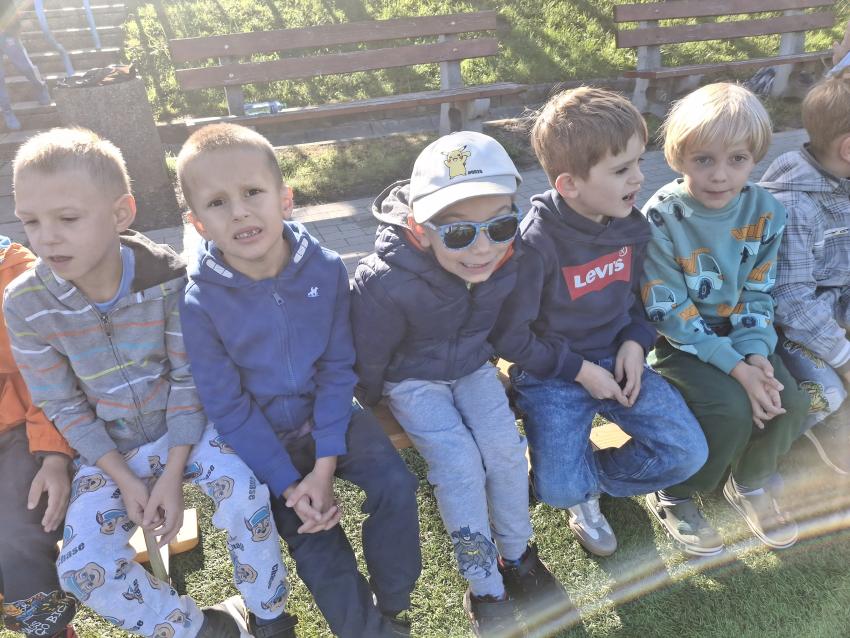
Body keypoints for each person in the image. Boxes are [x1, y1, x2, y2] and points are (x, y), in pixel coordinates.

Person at [4, 127, 296, 638]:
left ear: (121, 213)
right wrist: (124, 478)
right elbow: (61, 403)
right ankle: (204, 630)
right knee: (82, 566)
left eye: (67, 219)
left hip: (190, 432)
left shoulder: (170, 278)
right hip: (106, 453)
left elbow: (189, 378)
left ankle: (271, 619)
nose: (46, 238)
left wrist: (171, 473)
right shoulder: (25, 303)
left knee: (246, 494)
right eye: (31, 221)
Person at [176, 123, 421, 638]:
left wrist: (325, 464)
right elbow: (229, 407)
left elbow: (337, 368)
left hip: (333, 416)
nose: (239, 211)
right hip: (265, 443)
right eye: (217, 203)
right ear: (198, 223)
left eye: (252, 192)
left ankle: (394, 604)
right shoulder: (199, 303)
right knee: (316, 542)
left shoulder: (325, 270)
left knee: (396, 485)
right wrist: (290, 485)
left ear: (285, 199)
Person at [350, 131, 569, 637]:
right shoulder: (383, 278)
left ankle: (518, 555)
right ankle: (484, 585)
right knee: (460, 467)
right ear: (419, 228)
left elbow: (501, 322)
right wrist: (367, 405)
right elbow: (369, 355)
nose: (483, 247)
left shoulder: (509, 256)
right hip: (411, 381)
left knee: (506, 451)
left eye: (501, 225)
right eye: (458, 233)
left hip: (472, 366)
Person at [491, 87, 708, 558]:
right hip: (554, 376)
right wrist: (579, 371)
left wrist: (636, 341)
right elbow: (510, 337)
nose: (639, 177)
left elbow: (642, 301)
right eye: (621, 169)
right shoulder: (534, 245)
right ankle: (575, 492)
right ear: (570, 185)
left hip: (619, 361)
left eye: (638, 162)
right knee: (557, 492)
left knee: (688, 453)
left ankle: (584, 478)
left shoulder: (632, 224)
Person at [640, 83, 809, 555]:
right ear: (678, 157)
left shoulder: (766, 211)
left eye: (737, 159)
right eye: (703, 160)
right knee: (731, 410)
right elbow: (668, 309)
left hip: (743, 335)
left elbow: (758, 290)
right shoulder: (661, 216)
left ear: (755, 157)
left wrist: (756, 357)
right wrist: (737, 370)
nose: (720, 175)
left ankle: (750, 482)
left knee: (791, 403)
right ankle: (676, 490)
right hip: (680, 342)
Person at [759, 74, 850, 474]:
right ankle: (780, 443)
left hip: (828, 312)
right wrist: (844, 358)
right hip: (783, 331)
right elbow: (792, 304)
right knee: (827, 392)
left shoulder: (842, 181)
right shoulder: (795, 207)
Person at [0, 236, 77, 638]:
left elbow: (50, 380)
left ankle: (49, 631)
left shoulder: (19, 277)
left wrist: (53, 454)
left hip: (25, 427)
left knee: (14, 530)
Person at [0, 0, 54, 131]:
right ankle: (7, 111)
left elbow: (10, 8)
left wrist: (11, 28)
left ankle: (40, 86)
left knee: (25, 67)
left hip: (7, 33)